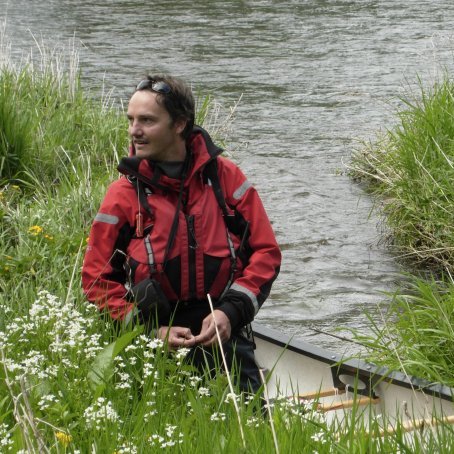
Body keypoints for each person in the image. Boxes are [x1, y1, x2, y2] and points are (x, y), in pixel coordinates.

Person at [82, 74, 281, 393]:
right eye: (131, 119)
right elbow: (96, 279)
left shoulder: (225, 178)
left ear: (179, 124)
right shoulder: (122, 194)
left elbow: (266, 253)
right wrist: (150, 332)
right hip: (151, 342)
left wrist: (230, 313)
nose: (135, 130)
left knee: (250, 428)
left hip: (224, 332)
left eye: (147, 120)